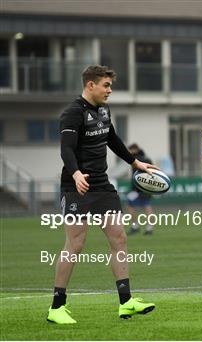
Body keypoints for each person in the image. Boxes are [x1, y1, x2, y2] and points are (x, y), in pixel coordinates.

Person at [47, 65, 157, 324]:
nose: (109, 90)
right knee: (75, 244)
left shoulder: (104, 110)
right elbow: (66, 150)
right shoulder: (72, 113)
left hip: (102, 185)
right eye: (106, 85)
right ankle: (56, 307)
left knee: (119, 238)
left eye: (110, 85)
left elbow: (113, 139)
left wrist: (134, 162)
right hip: (77, 187)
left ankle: (126, 301)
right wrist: (75, 174)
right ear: (90, 85)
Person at [126, 143, 155, 236]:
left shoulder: (136, 160)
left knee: (142, 206)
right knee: (146, 206)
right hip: (147, 187)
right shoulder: (146, 158)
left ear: (135, 149)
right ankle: (148, 227)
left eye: (130, 150)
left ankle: (136, 226)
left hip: (139, 188)